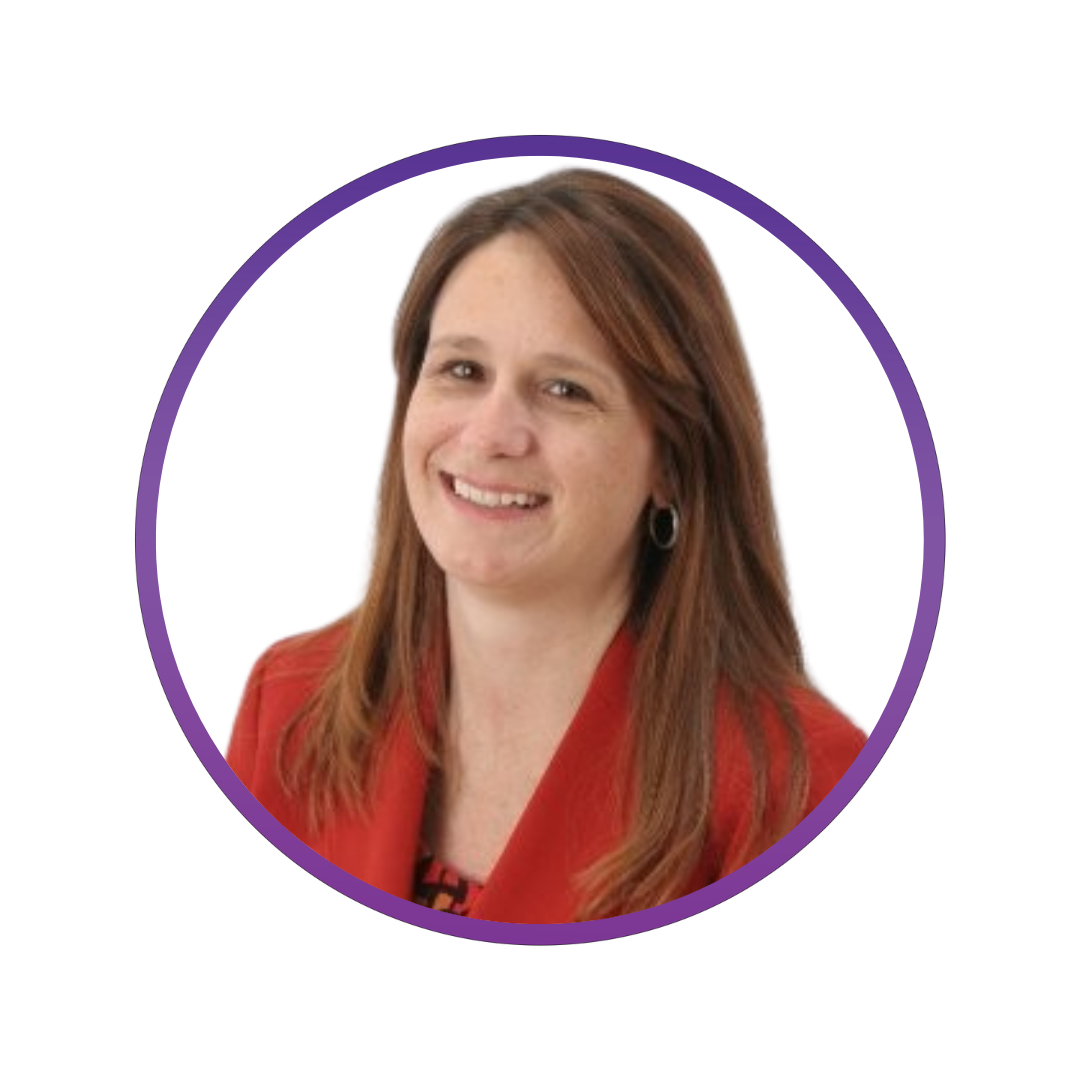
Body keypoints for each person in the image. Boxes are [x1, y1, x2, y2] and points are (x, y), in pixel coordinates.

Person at [227, 168, 867, 923]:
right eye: (462, 370)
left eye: (566, 389)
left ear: (672, 462)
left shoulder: (800, 787)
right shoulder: (290, 704)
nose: (492, 435)